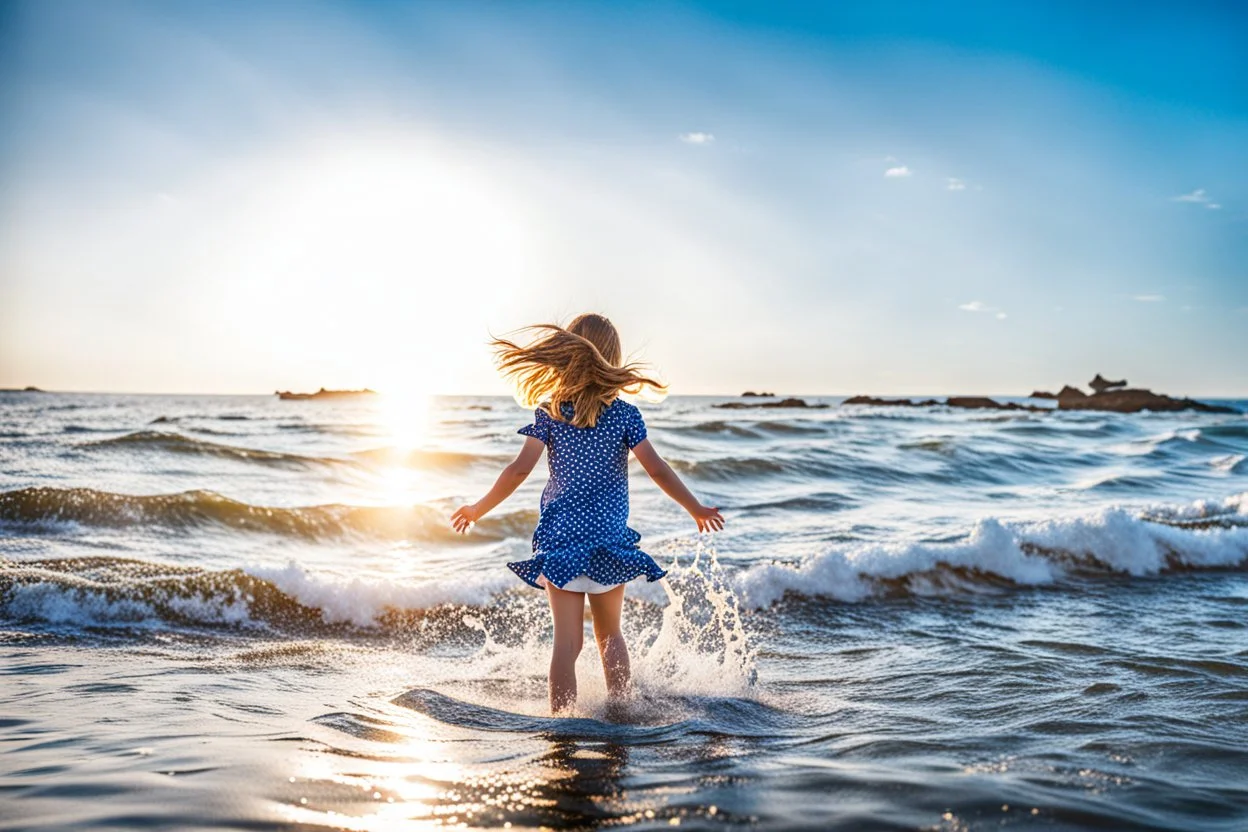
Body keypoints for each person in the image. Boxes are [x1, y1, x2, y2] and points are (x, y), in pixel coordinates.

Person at [451, 313, 724, 714]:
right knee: (610, 635)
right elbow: (658, 469)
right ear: (611, 360)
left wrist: (478, 509)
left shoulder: (551, 413)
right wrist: (695, 508)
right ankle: (621, 712)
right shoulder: (624, 416)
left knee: (567, 644)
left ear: (566, 355)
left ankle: (562, 722)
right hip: (608, 542)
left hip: (561, 543)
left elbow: (518, 471)